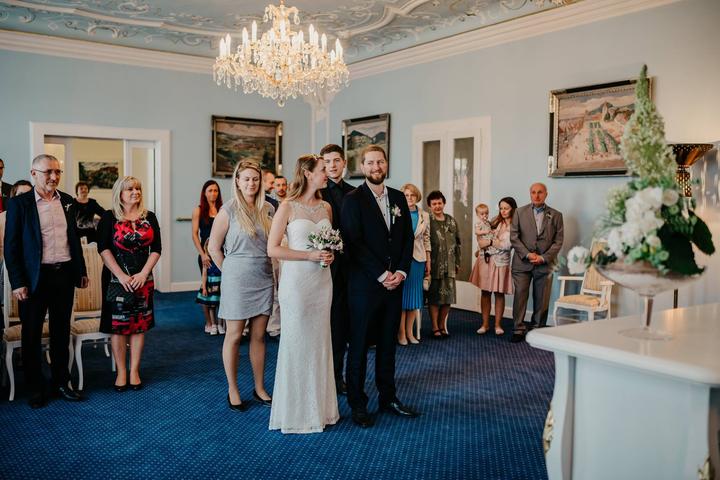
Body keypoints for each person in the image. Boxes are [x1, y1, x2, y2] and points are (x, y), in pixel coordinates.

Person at [341, 144, 418, 428]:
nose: (376, 167)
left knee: (388, 344)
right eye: (371, 163)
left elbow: (407, 238)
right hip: (365, 286)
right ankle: (358, 403)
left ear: (386, 164)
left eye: (380, 162)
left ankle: (388, 397)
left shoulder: (397, 197)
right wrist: (381, 274)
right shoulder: (352, 200)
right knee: (359, 346)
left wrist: (401, 271)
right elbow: (354, 243)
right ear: (362, 167)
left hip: (395, 285)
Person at [4, 154, 88, 408]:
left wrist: (81, 270)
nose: (54, 177)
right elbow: (11, 247)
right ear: (33, 174)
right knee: (31, 334)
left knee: (61, 332)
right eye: (48, 172)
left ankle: (61, 382)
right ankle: (35, 387)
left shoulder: (68, 201)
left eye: (57, 172)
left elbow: (74, 239)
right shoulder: (19, 204)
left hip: (64, 275)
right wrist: (18, 282)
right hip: (34, 278)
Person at [267, 154, 339, 434]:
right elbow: (273, 249)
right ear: (308, 174)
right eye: (323, 169)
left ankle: (320, 410)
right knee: (297, 342)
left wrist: (329, 255)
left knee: (320, 342)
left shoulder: (326, 207)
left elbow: (329, 243)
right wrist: (308, 255)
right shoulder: (287, 206)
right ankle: (295, 413)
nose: (327, 173)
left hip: (322, 282)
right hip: (297, 284)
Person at [208, 160, 274, 411]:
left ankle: (259, 388)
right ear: (237, 181)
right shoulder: (228, 210)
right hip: (236, 278)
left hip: (263, 276)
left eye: (255, 179)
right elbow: (213, 247)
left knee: (259, 336)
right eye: (246, 179)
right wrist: (229, 272)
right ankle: (233, 389)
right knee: (234, 335)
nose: (251, 183)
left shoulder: (269, 208)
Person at [97, 176, 162, 391]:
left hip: (143, 279)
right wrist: (122, 276)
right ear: (120, 193)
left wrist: (144, 273)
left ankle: (134, 370)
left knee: (139, 325)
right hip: (116, 280)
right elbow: (103, 249)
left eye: (138, 188)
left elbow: (157, 249)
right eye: (130, 189)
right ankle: (121, 372)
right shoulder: (109, 217)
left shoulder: (149, 217)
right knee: (119, 326)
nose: (135, 192)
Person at [319, 143, 355, 395]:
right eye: (327, 161)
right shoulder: (317, 193)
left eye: (336, 160)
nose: (332, 165)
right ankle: (322, 376)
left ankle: (338, 375)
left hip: (352, 267)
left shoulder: (355, 192)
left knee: (342, 324)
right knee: (326, 322)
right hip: (324, 266)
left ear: (344, 163)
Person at [510, 183, 564, 343]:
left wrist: (544, 257)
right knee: (520, 296)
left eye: (540, 192)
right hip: (522, 263)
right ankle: (518, 329)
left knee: (541, 298)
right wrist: (527, 254)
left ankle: (537, 329)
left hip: (544, 264)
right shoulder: (519, 212)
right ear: (530, 194)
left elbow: (558, 241)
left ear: (546, 194)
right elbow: (514, 237)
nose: (536, 195)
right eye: (533, 192)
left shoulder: (556, 215)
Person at [470, 197, 517, 336]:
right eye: (501, 208)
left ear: (512, 209)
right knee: (485, 292)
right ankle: (485, 324)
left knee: (499, 293)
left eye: (506, 208)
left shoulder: (515, 225)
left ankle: (497, 325)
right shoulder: (494, 222)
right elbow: (481, 240)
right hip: (486, 260)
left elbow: (507, 245)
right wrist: (483, 246)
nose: (503, 211)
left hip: (501, 262)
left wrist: (490, 242)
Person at [397, 183, 430, 346]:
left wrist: (428, 261)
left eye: (412, 195)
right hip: (402, 259)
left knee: (414, 299)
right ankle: (401, 333)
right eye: (406, 195)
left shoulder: (424, 215)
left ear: (417, 197)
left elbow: (427, 239)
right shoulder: (397, 212)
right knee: (403, 299)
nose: (410, 198)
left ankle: (410, 332)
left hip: (418, 259)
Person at [426, 190, 461, 339]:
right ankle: (434, 327)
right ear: (429, 206)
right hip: (434, 265)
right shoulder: (427, 221)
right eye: (434, 204)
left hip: (450, 265)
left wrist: (457, 262)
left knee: (448, 298)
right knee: (434, 298)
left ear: (444, 203)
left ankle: (442, 325)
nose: (437, 206)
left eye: (439, 203)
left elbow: (458, 243)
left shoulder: (451, 220)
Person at [191, 180, 223, 335]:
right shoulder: (198, 210)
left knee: (222, 289)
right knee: (207, 288)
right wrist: (202, 254)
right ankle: (209, 322)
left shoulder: (223, 210)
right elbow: (194, 234)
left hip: (221, 254)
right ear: (204, 193)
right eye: (210, 190)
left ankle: (221, 322)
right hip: (206, 255)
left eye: (216, 190)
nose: (213, 193)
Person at [196, 239, 222, 334]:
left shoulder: (221, 258)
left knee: (221, 305)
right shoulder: (207, 260)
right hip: (211, 285)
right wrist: (204, 287)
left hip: (220, 285)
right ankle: (213, 324)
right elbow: (204, 275)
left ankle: (220, 325)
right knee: (211, 305)